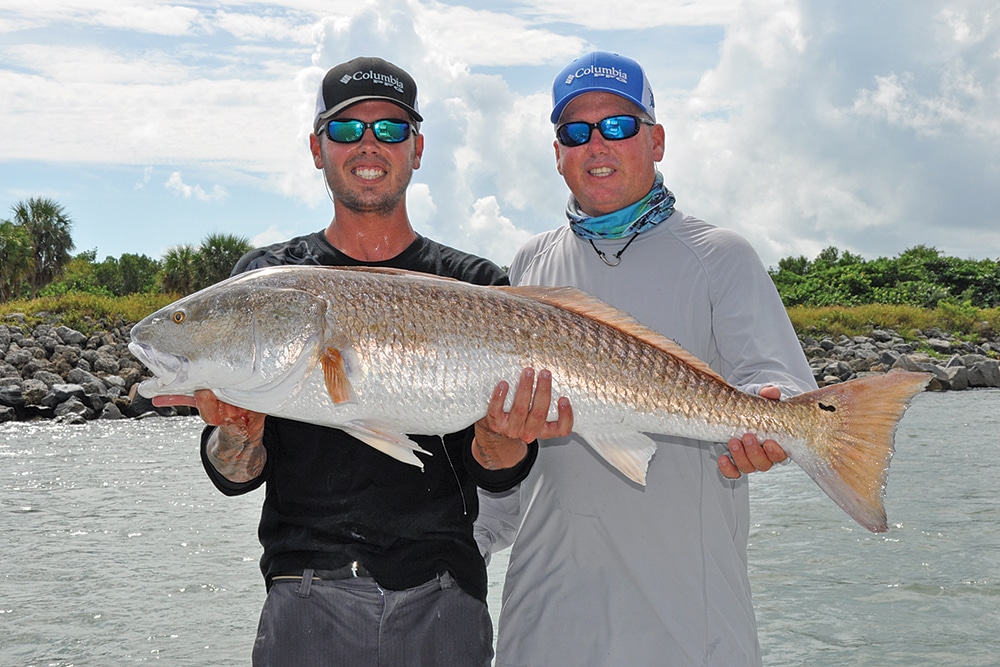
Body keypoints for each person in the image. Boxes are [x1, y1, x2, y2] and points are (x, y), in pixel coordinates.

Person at [177, 56, 570, 667]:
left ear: (417, 148)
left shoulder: (476, 285)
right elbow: (235, 473)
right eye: (345, 129)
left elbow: (498, 473)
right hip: (304, 598)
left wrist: (502, 435)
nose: (368, 144)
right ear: (316, 148)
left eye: (389, 129)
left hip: (445, 598)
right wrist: (237, 430)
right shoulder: (265, 284)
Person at [474, 51, 818, 666]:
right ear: (558, 154)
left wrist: (775, 426)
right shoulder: (527, 265)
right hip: (545, 619)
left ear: (656, 141)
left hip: (689, 624)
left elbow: (779, 386)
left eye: (619, 126)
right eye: (575, 132)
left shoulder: (721, 256)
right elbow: (507, 456)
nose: (596, 144)